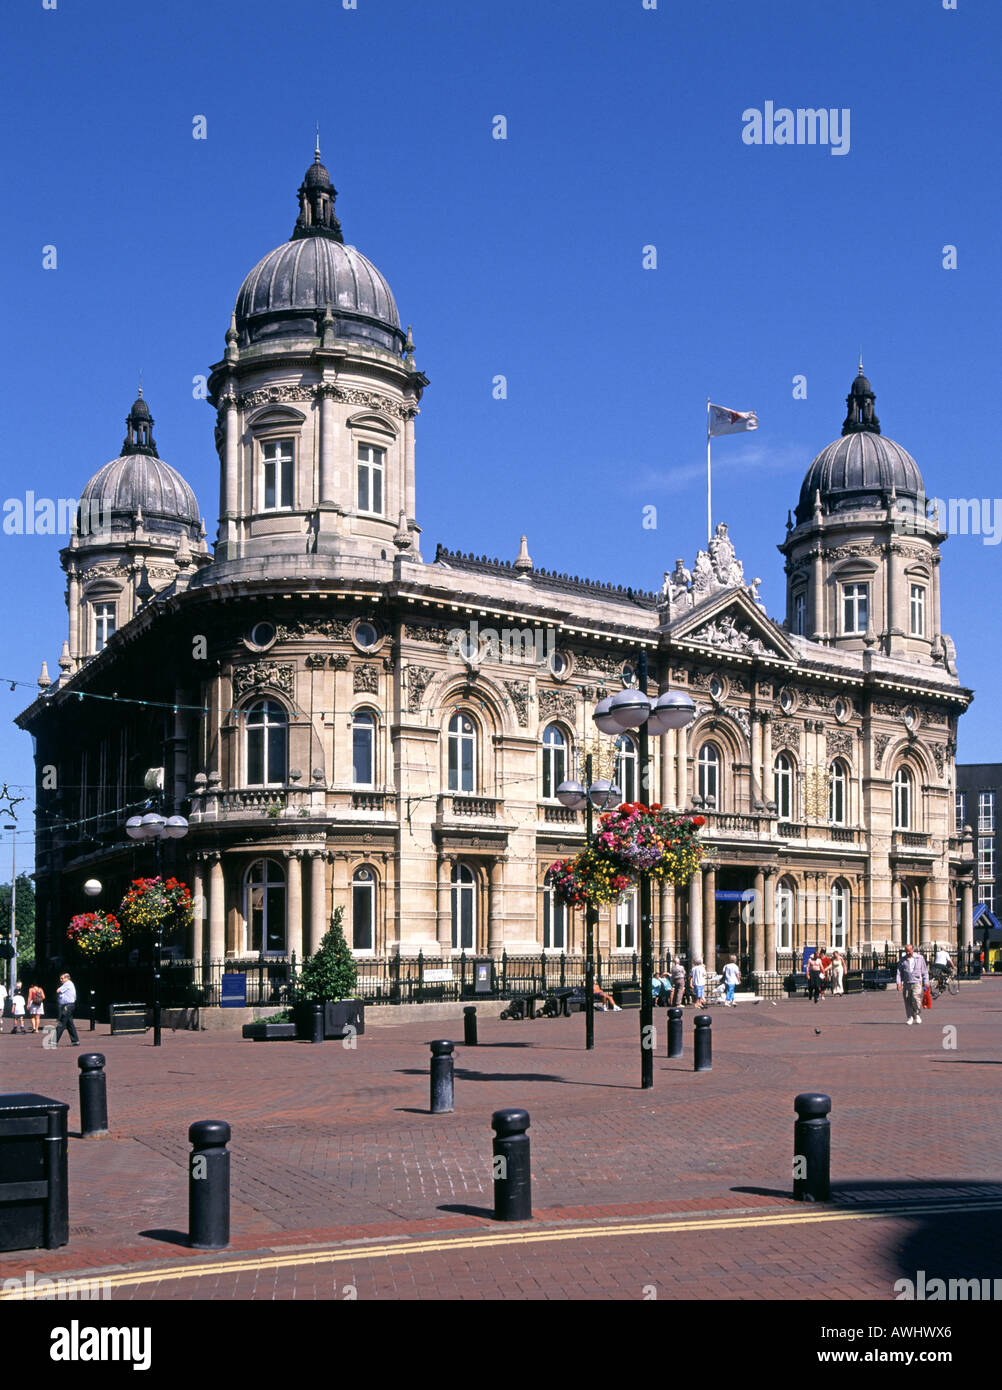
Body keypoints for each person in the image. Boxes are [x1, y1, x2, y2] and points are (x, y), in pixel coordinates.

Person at [896, 942, 929, 1025]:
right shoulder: (902, 960)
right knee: (907, 1001)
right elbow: (899, 973)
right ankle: (910, 1017)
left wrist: (926, 982)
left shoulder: (920, 958)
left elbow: (925, 971)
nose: (907, 953)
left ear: (912, 950)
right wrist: (898, 983)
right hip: (907, 983)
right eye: (906, 951)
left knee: (915, 998)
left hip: (917, 982)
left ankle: (916, 1014)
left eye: (909, 951)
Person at [55, 972, 80, 1045]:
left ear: (67, 978)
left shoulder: (67, 983)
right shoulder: (68, 984)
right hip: (69, 1005)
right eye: (60, 978)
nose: (61, 980)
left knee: (61, 1022)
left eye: (62, 978)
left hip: (68, 1006)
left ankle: (54, 1041)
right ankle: (75, 1041)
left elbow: (58, 990)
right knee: (69, 1024)